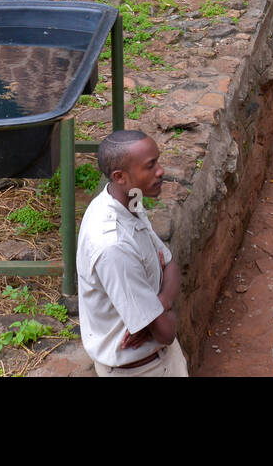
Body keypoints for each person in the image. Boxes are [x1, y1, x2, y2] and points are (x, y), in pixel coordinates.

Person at [77, 129, 187, 377]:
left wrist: (159, 305)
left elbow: (170, 266)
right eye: (150, 166)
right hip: (142, 370)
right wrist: (160, 316)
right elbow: (167, 333)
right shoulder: (113, 246)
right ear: (120, 176)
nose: (160, 171)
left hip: (157, 360)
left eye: (157, 161)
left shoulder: (126, 201)